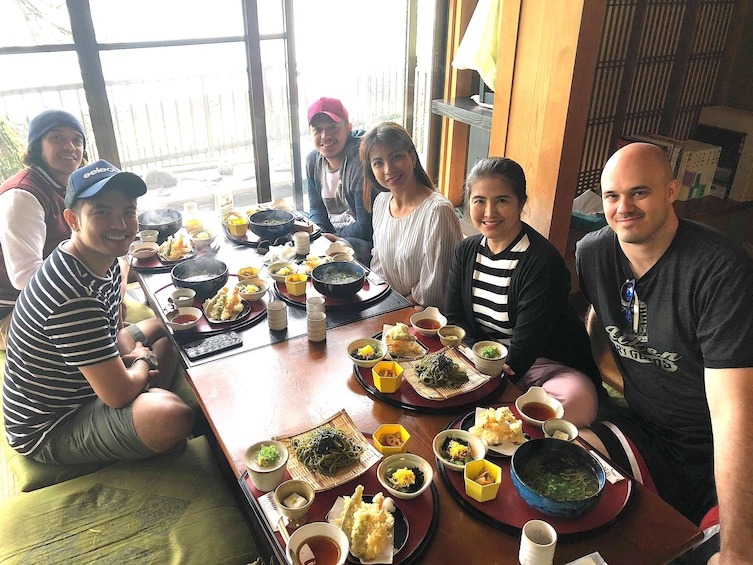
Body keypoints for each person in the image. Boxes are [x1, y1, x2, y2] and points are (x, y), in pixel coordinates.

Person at [576, 142, 753, 562]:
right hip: (643, 428)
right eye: (611, 196)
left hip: (715, 445)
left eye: (640, 192)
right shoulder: (593, 255)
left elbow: (733, 412)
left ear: (673, 190)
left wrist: (738, 550)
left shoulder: (720, 269)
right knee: (560, 460)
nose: (624, 207)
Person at [3, 160, 193, 464]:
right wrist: (141, 360)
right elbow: (117, 394)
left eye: (127, 212)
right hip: (50, 425)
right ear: (73, 220)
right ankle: (145, 409)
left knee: (169, 327)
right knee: (173, 417)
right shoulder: (71, 293)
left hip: (85, 377)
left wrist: (131, 359)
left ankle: (140, 402)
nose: (119, 224)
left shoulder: (106, 260)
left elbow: (115, 334)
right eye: (102, 212)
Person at [445, 157, 603, 426]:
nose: (489, 212)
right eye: (479, 200)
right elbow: (455, 316)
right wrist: (473, 360)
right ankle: (510, 419)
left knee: (577, 397)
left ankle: (508, 426)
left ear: (521, 202)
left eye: (502, 200)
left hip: (544, 364)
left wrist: (488, 383)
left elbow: (525, 346)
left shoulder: (542, 260)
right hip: (482, 358)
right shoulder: (466, 251)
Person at [0, 109, 88, 349]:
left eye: (76, 140)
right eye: (57, 138)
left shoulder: (66, 186)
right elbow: (25, 277)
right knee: (93, 324)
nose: (70, 147)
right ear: (37, 147)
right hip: (12, 313)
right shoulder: (23, 195)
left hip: (46, 300)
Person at [361, 122, 462, 310]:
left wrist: (393, 308)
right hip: (391, 305)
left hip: (424, 315)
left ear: (413, 158)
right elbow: (378, 266)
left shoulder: (437, 211)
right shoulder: (382, 202)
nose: (389, 169)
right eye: (378, 163)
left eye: (396, 157)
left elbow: (434, 288)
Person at [306, 97, 377, 265]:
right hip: (332, 234)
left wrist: (335, 239)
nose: (325, 136)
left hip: (363, 241)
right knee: (295, 225)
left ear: (348, 128)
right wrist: (321, 236)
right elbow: (316, 208)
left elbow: (365, 226)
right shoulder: (312, 161)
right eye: (317, 129)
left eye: (333, 128)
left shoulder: (360, 163)